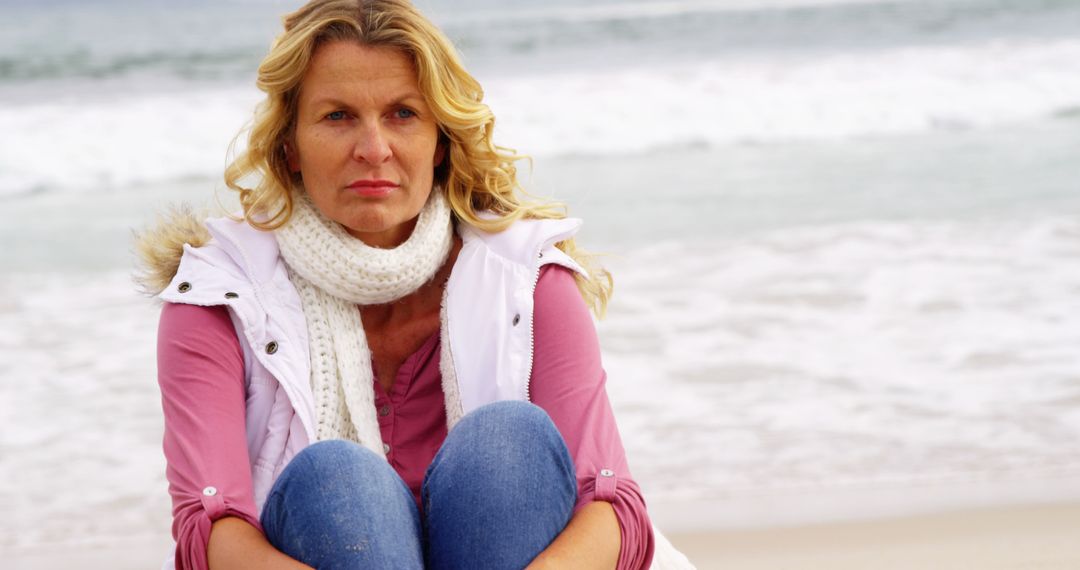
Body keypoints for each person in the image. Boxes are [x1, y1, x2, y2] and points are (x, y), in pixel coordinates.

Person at [136, 1, 692, 568]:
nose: (373, 149)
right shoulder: (218, 295)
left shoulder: (527, 277)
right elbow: (209, 531)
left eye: (403, 114)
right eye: (337, 116)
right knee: (337, 478)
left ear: (441, 140)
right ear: (289, 146)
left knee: (505, 441)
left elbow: (612, 508)